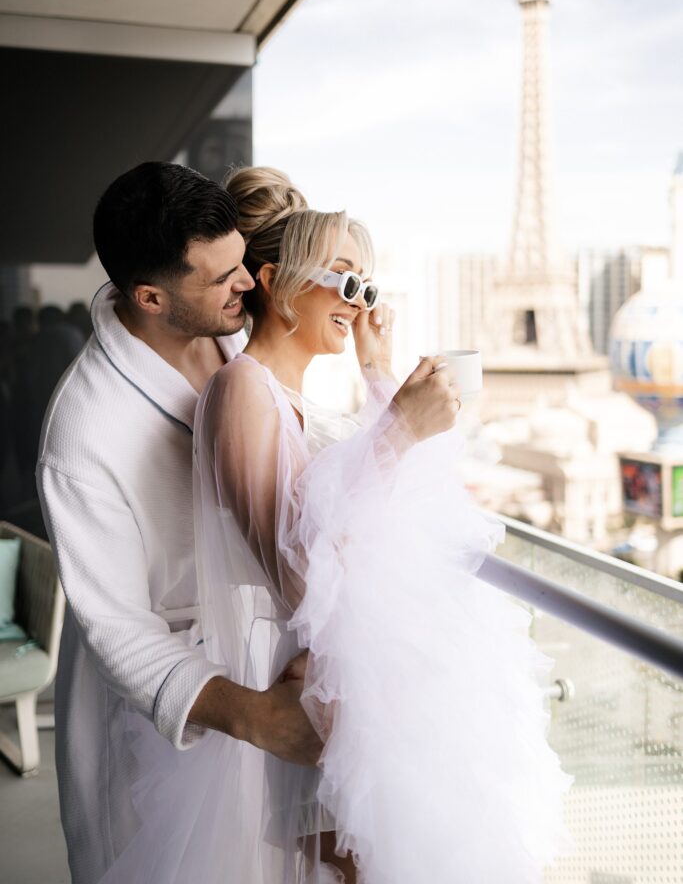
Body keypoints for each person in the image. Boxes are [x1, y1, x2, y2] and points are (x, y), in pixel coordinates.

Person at [189, 173, 572, 882]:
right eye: (340, 278)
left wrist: (376, 368)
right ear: (273, 281)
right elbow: (299, 568)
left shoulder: (293, 403)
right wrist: (397, 429)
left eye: (364, 283)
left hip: (359, 681)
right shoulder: (242, 387)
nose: (355, 298)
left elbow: (385, 508)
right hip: (328, 688)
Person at [36, 163, 324, 884]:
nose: (250, 284)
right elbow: (118, 630)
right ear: (150, 297)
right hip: (172, 708)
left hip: (265, 666)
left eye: (243, 262)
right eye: (222, 276)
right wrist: (255, 715)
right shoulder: (82, 433)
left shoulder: (234, 331)